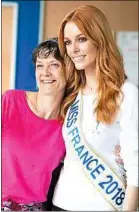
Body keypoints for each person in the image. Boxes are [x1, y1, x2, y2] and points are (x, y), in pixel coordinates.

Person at [52, 5, 138, 211]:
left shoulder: (127, 93)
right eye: (68, 42)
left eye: (82, 39)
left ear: (99, 39)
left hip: (104, 205)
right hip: (61, 203)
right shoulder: (70, 93)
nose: (73, 50)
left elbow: (136, 164)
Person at [2, 38, 66, 211]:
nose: (45, 72)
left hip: (35, 207)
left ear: (69, 71)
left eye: (54, 65)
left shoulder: (69, 123)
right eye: (40, 65)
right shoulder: (10, 101)